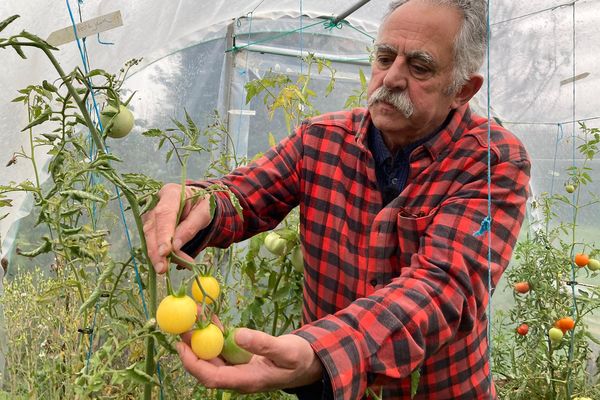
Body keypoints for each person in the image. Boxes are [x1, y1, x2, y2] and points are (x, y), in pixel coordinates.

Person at [142, 0, 531, 398]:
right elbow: (245, 193)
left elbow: (444, 286)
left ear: (462, 90)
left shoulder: (491, 160)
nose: (391, 78)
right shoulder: (320, 139)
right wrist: (199, 202)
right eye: (384, 57)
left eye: (420, 67)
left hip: (437, 390)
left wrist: (320, 352)